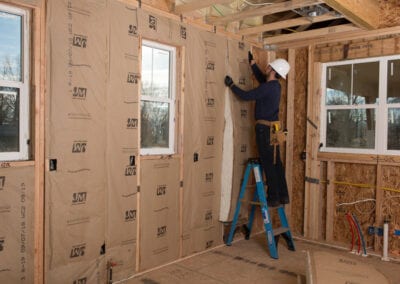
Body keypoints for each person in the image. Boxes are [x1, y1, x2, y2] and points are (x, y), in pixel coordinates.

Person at [224, 52, 290, 207]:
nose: (267, 66)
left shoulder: (268, 88)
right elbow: (262, 80)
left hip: (265, 130)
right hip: (274, 129)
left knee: (268, 162)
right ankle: (283, 195)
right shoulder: (275, 86)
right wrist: (253, 64)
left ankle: (273, 197)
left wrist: (231, 85)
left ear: (274, 71)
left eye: (270, 66)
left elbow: (246, 96)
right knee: (276, 162)